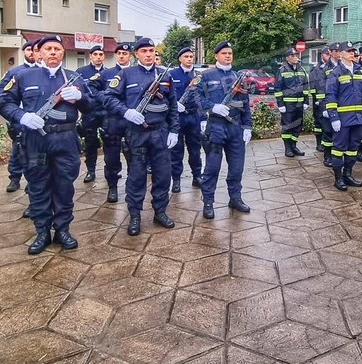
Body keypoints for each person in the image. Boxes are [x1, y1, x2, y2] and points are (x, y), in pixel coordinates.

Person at [0, 35, 88, 253]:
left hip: (65, 140)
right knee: (38, 188)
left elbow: (94, 108)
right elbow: (5, 103)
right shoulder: (23, 76)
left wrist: (80, 97)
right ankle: (42, 232)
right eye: (48, 49)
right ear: (39, 52)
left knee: (64, 188)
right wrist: (22, 116)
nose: (53, 52)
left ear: (63, 53)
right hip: (36, 141)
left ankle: (62, 230)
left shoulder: (74, 78)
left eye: (57, 49)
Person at [96, 38, 178, 236]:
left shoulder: (164, 75)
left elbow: (173, 105)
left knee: (162, 175)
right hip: (137, 133)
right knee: (136, 176)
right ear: (137, 54)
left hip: (160, 132)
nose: (149, 54)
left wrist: (174, 130)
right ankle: (135, 216)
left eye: (151, 50)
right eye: (144, 51)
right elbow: (107, 97)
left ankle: (160, 212)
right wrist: (126, 112)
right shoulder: (125, 74)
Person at [197, 41, 252, 219]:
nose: (228, 56)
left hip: (235, 127)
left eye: (230, 53)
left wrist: (247, 126)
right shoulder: (205, 76)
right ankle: (208, 202)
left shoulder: (239, 77)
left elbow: (245, 105)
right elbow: (196, 99)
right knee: (212, 167)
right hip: (216, 126)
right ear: (216, 56)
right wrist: (212, 107)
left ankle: (235, 198)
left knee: (237, 167)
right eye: (224, 53)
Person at [325, 41, 362, 190]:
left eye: (353, 51)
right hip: (343, 119)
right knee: (338, 149)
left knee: (353, 149)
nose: (352, 53)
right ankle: (338, 178)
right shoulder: (335, 73)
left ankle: (348, 174)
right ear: (341, 54)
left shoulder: (358, 71)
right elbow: (330, 96)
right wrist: (334, 117)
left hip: (358, 118)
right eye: (349, 51)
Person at [0, 41, 36, 193]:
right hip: (20, 118)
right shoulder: (15, 71)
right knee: (17, 149)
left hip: (37, 118)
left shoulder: (42, 71)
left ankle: (32, 185)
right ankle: (14, 178)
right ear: (24, 52)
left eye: (34, 50)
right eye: (28, 50)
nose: (32, 53)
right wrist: (14, 102)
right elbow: (1, 89)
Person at [100, 42, 134, 202]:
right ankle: (112, 186)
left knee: (134, 155)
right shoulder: (107, 74)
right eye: (119, 53)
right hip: (113, 119)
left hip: (131, 120)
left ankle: (132, 186)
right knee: (111, 157)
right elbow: (91, 88)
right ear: (115, 55)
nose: (122, 55)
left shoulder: (135, 72)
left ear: (130, 56)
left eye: (125, 53)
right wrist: (104, 99)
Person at [168, 46, 203, 192]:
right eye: (186, 57)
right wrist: (174, 104)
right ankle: (176, 179)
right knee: (176, 150)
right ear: (180, 59)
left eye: (191, 57)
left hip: (193, 116)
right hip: (177, 117)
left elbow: (202, 97)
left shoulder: (198, 75)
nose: (189, 59)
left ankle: (197, 176)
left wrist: (203, 118)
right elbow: (166, 95)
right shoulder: (171, 74)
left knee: (195, 149)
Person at [76, 45, 107, 183]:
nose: (98, 57)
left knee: (110, 141)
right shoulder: (81, 72)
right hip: (89, 111)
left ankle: (110, 170)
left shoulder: (108, 72)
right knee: (90, 142)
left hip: (105, 111)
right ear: (90, 56)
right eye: (95, 54)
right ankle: (91, 170)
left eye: (101, 54)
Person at [274, 47, 310, 158]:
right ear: (287, 58)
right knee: (287, 127)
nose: (296, 57)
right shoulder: (282, 70)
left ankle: (294, 146)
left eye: (296, 55)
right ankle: (288, 148)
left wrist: (306, 101)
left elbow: (306, 86)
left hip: (299, 104)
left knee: (298, 126)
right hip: (288, 104)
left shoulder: (302, 70)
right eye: (293, 55)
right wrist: (280, 104)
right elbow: (278, 89)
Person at [308, 47, 332, 165]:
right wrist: (317, 98)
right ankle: (319, 143)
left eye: (329, 54)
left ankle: (324, 142)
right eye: (327, 54)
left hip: (327, 100)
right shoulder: (316, 68)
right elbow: (313, 85)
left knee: (326, 123)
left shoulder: (331, 67)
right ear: (322, 55)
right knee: (318, 122)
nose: (328, 56)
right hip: (318, 100)